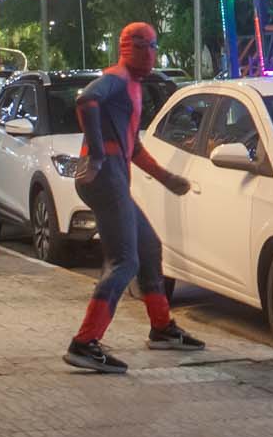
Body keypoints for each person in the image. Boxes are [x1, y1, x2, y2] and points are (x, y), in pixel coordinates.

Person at [61, 22, 203, 374]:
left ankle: (161, 327)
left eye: (154, 46)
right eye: (148, 46)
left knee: (149, 248)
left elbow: (132, 146)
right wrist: (97, 154)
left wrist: (167, 178)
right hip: (105, 177)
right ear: (134, 47)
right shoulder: (118, 78)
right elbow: (86, 99)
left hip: (111, 176)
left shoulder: (132, 86)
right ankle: (85, 342)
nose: (152, 54)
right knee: (125, 261)